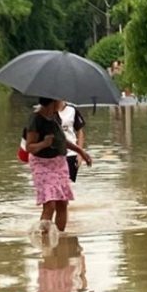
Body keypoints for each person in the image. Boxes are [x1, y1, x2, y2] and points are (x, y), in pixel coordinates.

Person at [25, 97, 92, 232]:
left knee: (62, 203)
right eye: (59, 101)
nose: (62, 103)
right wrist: (44, 144)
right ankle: (45, 239)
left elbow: (62, 140)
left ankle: (60, 238)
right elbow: (29, 147)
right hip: (41, 163)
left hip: (58, 161)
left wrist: (81, 152)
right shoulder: (36, 119)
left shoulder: (55, 117)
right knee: (50, 204)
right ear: (52, 103)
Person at [57, 100, 86, 183]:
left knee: (68, 186)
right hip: (54, 155)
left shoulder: (72, 110)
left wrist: (80, 154)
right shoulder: (48, 111)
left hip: (71, 154)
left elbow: (80, 132)